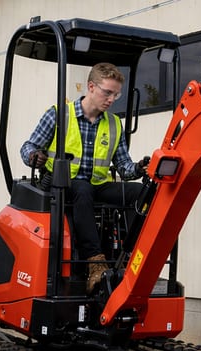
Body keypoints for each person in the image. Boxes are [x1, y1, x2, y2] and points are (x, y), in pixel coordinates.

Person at [21, 62, 149, 293]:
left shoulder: (114, 124)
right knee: (82, 189)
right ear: (91, 87)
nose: (111, 99)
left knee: (139, 192)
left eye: (116, 95)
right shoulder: (59, 115)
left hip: (97, 185)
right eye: (107, 92)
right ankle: (95, 264)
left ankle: (131, 256)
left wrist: (140, 168)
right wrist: (33, 156)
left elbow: (124, 167)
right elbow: (28, 146)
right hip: (61, 186)